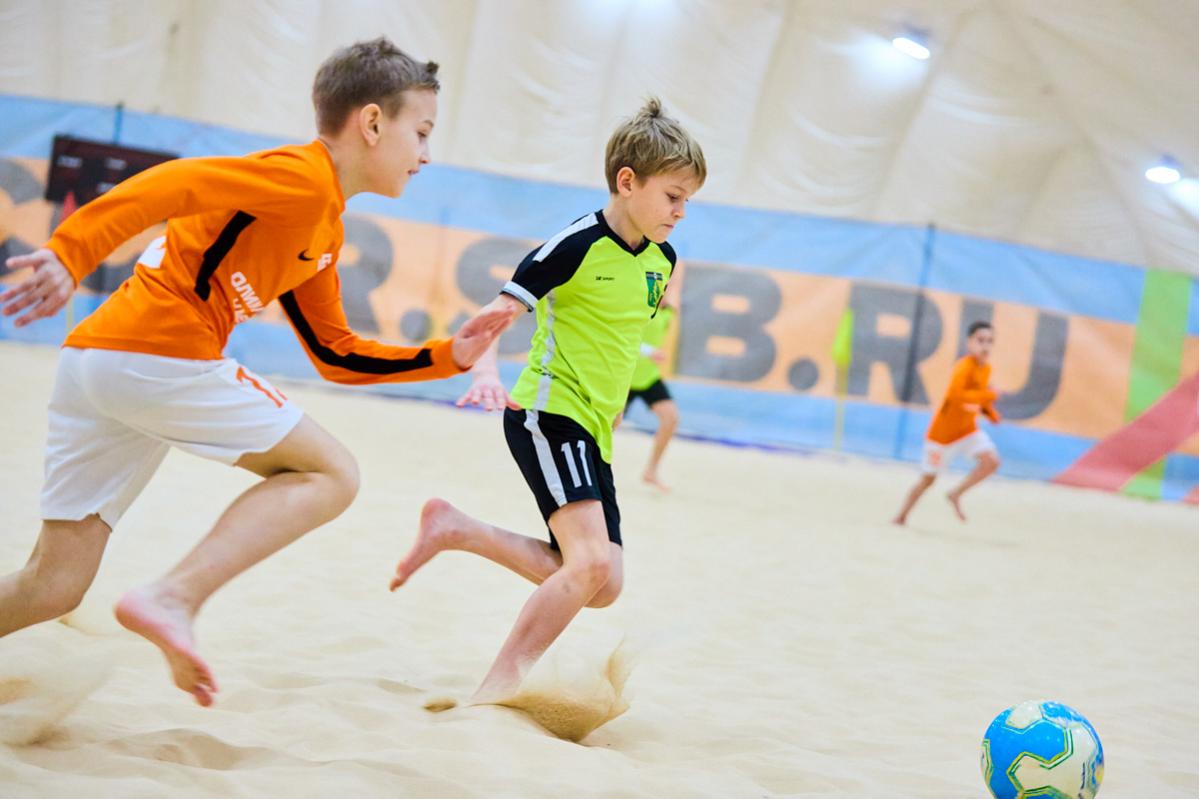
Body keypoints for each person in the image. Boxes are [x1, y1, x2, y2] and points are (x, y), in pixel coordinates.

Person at [0, 37, 510, 707]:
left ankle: (168, 597)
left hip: (97, 364)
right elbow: (172, 184)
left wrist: (447, 358)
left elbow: (334, 353)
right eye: (421, 132)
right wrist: (72, 251)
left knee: (53, 585)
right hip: (159, 352)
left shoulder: (323, 226)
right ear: (372, 122)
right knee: (333, 473)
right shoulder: (301, 177)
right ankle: (172, 596)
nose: (426, 154)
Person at [389, 98, 706, 704]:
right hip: (549, 413)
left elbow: (617, 337)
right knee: (587, 565)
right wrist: (485, 372)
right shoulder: (573, 245)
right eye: (673, 196)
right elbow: (494, 316)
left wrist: (614, 404)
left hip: (594, 427)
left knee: (605, 583)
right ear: (628, 182)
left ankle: (458, 529)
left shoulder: (662, 260)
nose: (681, 211)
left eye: (688, 199)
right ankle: (494, 693)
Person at [893, 321, 1002, 525]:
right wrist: (988, 395)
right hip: (942, 436)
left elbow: (976, 400)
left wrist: (990, 412)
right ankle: (901, 516)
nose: (985, 346)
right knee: (928, 479)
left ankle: (956, 493)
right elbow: (957, 396)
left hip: (967, 431)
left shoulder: (986, 369)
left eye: (990, 341)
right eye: (980, 340)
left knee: (992, 461)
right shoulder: (963, 367)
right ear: (969, 342)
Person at [624, 271, 681, 491]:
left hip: (648, 377)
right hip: (625, 376)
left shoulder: (668, 312)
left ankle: (651, 470)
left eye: (669, 287)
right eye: (664, 287)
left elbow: (675, 284)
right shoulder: (640, 308)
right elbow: (624, 337)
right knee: (606, 427)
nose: (667, 291)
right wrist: (648, 351)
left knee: (671, 419)